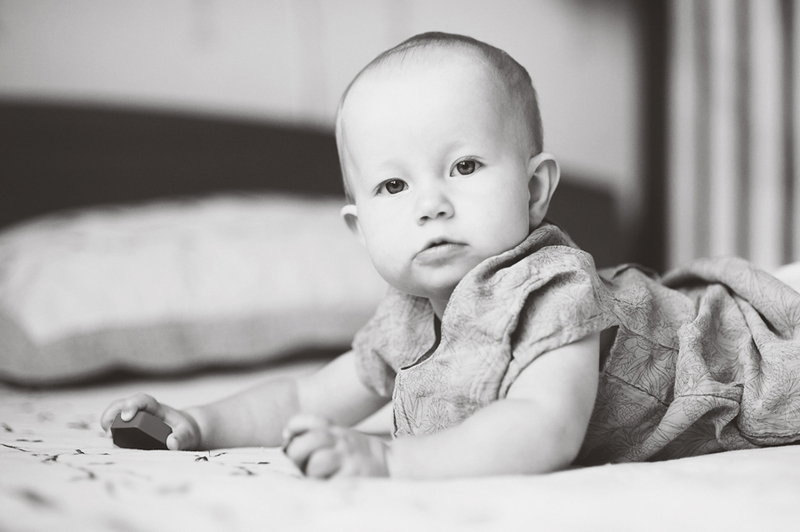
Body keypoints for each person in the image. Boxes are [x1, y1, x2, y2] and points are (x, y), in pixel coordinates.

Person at [101, 32, 800, 479]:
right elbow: (303, 398)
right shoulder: (405, 321)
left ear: (533, 191)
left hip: (743, 358)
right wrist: (199, 422)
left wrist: (394, 461)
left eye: (464, 166)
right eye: (394, 185)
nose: (430, 204)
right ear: (361, 229)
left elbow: (545, 428)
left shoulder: (551, 286)